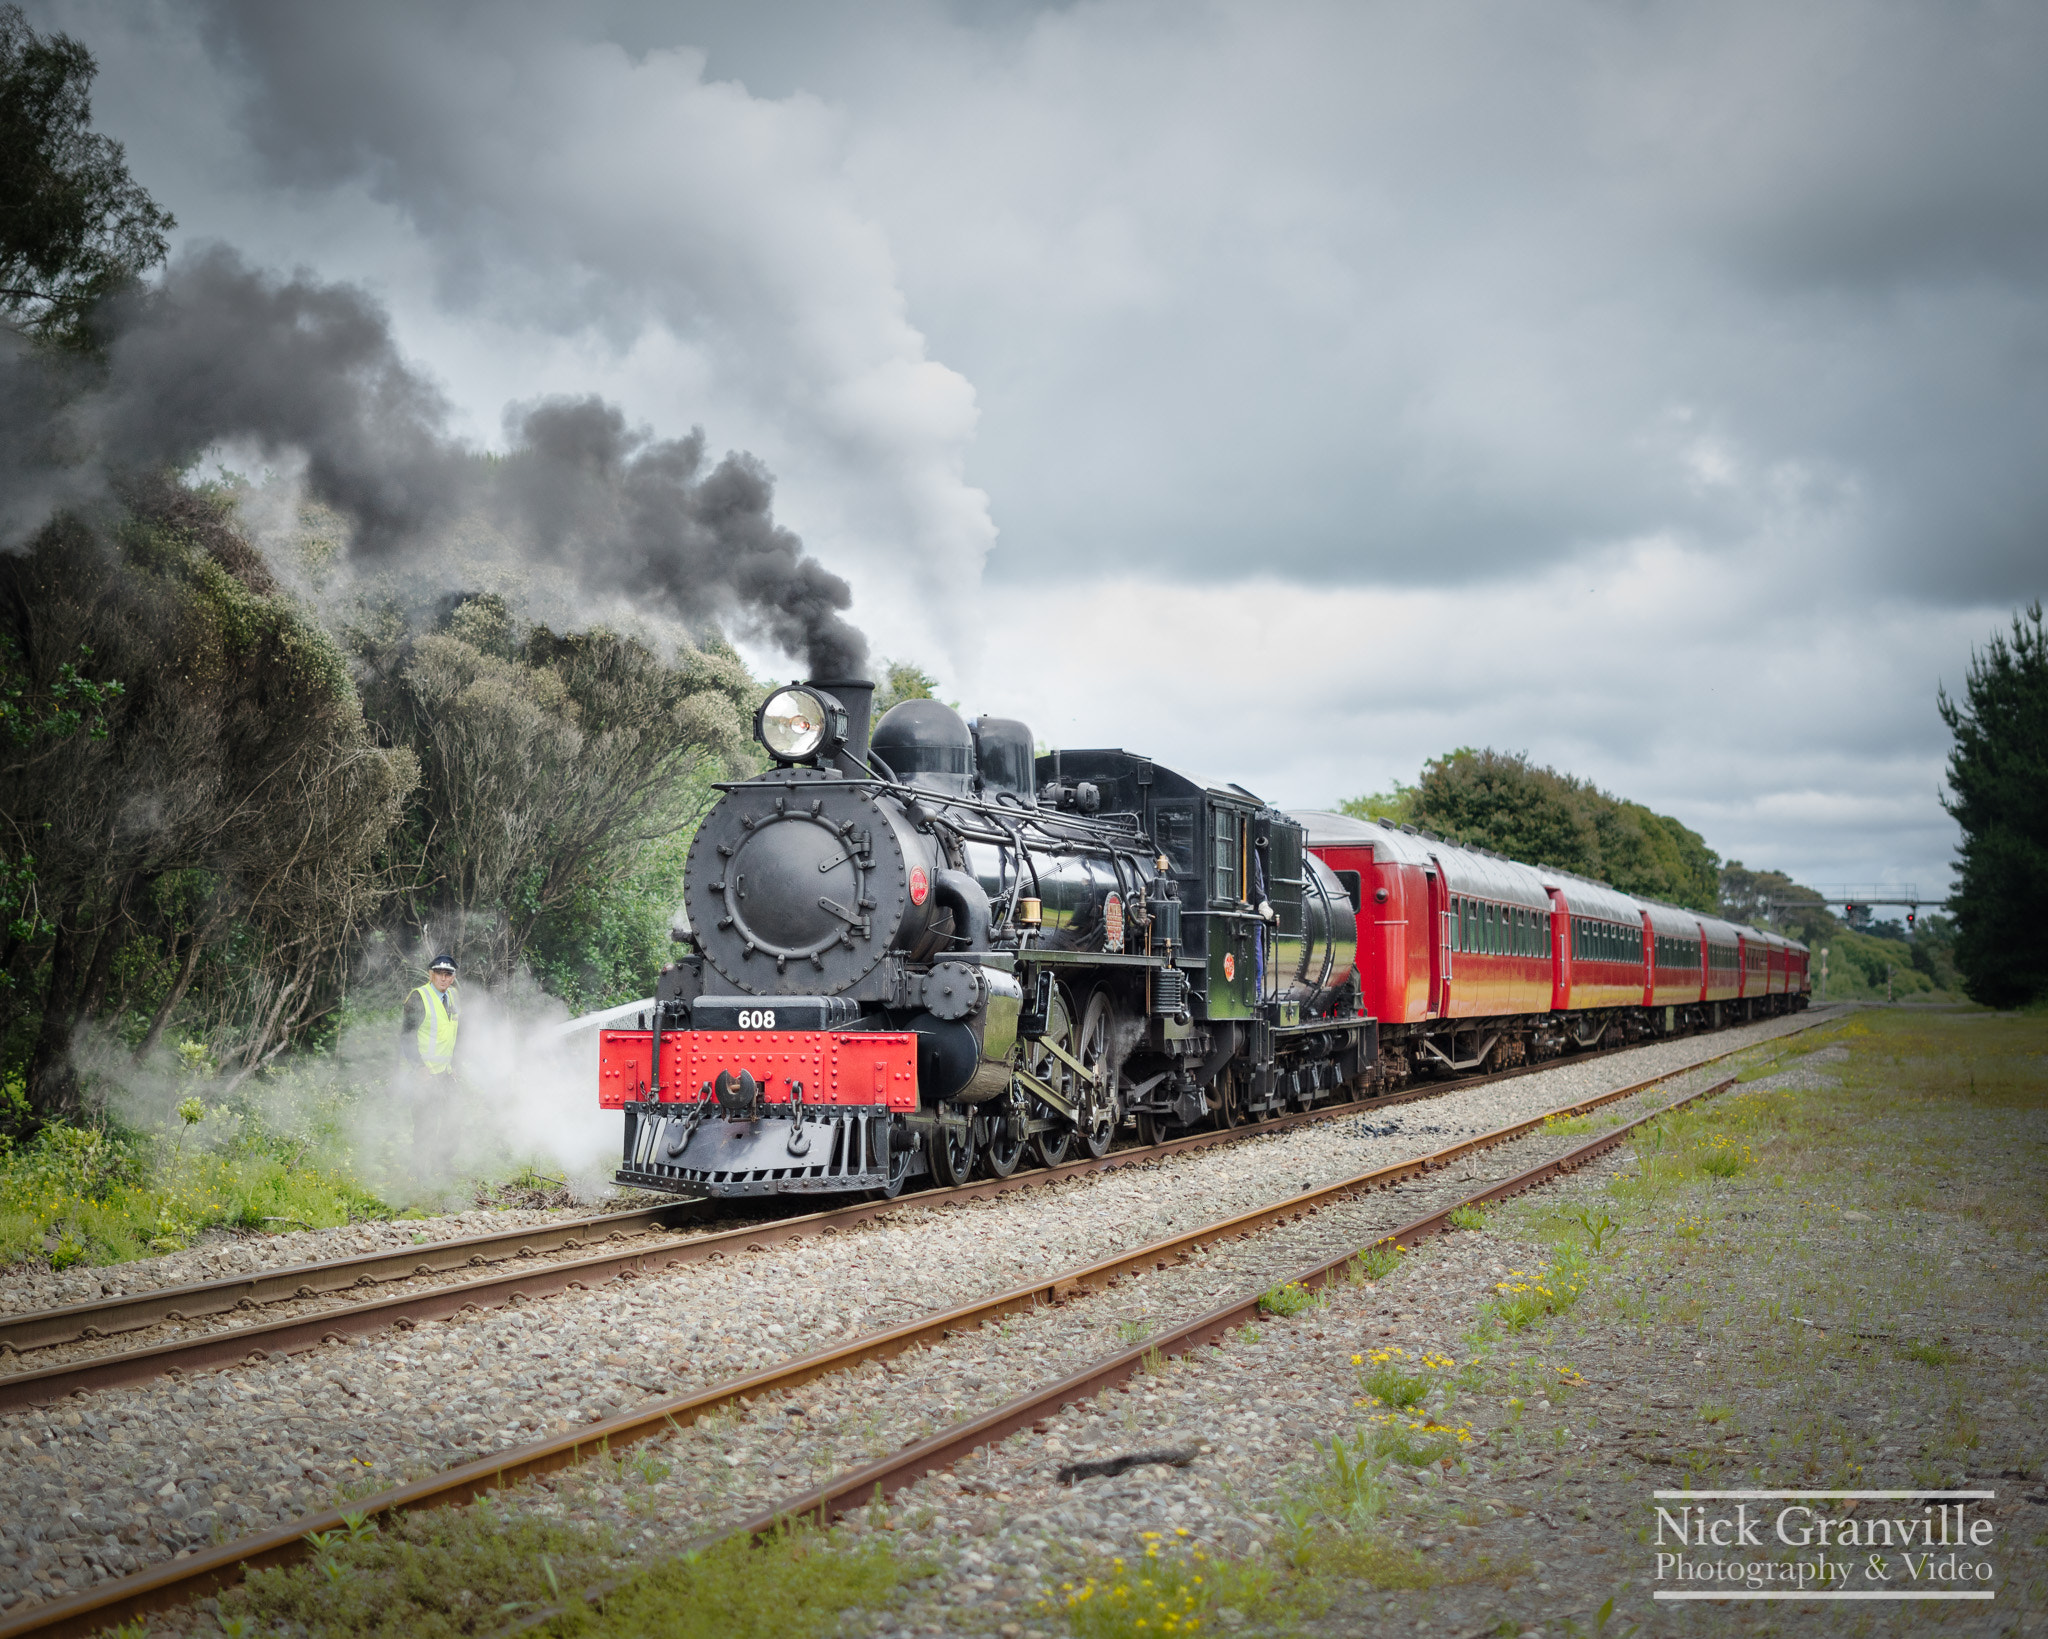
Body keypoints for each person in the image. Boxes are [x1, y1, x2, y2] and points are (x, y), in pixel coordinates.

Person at [399, 953, 461, 1174]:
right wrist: (419, 1068)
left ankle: (441, 1166)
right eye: (439, 974)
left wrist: (455, 1067)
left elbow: (453, 1035)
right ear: (430, 974)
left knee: (454, 1122)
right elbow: (406, 1037)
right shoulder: (418, 997)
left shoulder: (452, 997)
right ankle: (418, 1175)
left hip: (445, 1074)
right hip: (423, 1076)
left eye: (448, 974)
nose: (443, 979)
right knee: (425, 1128)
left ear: (453, 977)